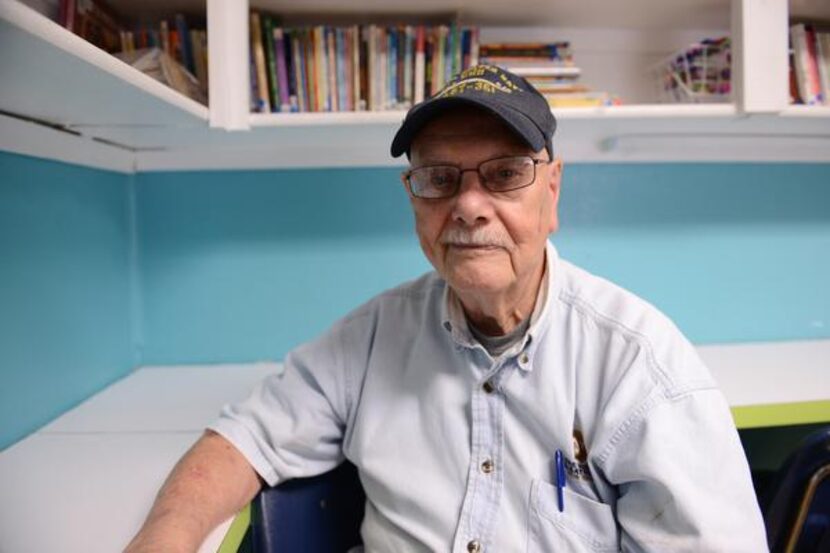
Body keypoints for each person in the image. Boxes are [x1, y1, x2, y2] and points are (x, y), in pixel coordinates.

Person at [126, 65, 768, 552]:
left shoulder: (640, 366)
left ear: (552, 190)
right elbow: (242, 441)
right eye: (439, 178)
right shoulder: (372, 337)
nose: (467, 205)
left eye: (504, 173)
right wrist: (164, 539)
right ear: (414, 198)